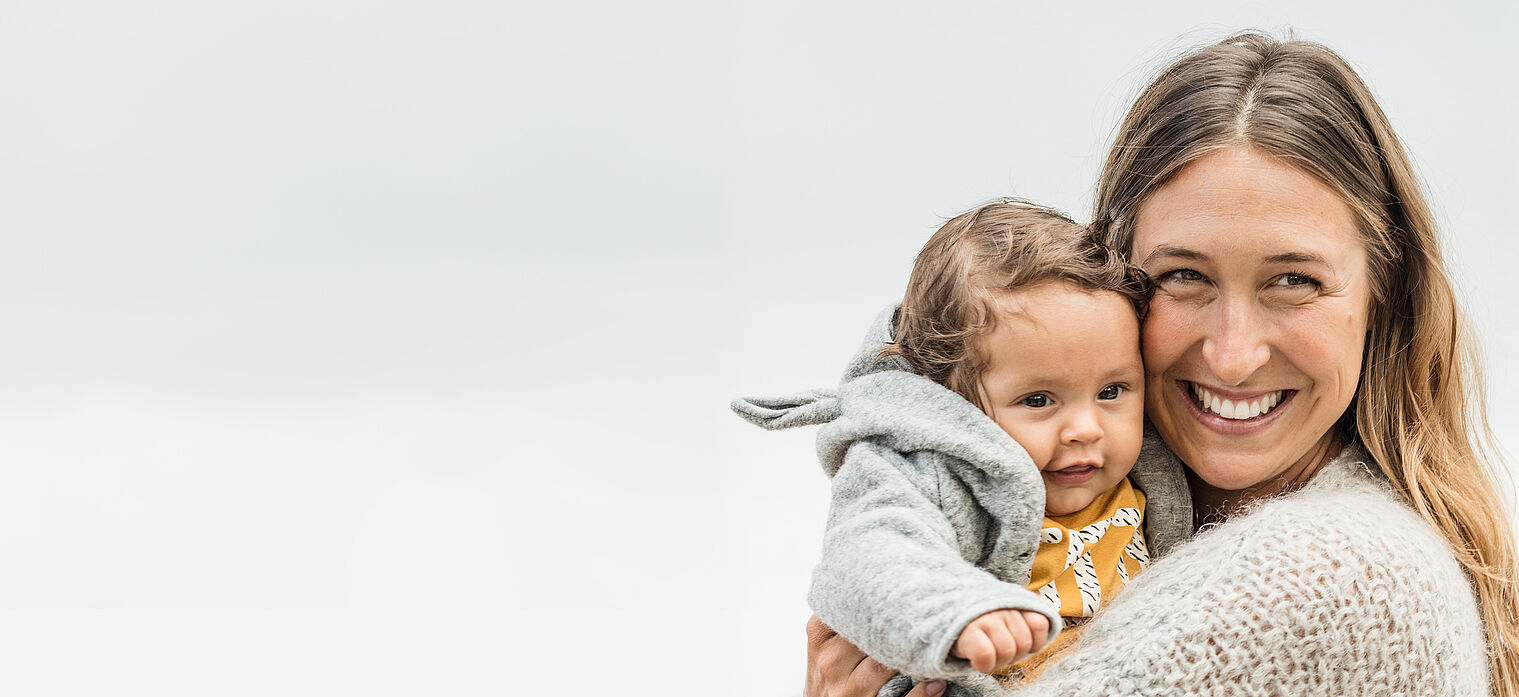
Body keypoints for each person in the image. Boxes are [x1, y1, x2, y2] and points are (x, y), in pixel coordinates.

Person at [801, 32, 1519, 697]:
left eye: (1293, 281)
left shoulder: (1343, 570)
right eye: (1183, 276)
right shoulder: (1117, 493)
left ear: (1381, 296)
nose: (1232, 356)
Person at [734, 202, 1189, 696]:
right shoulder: (920, 472)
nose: (1086, 428)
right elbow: (867, 557)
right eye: (1037, 400)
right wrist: (958, 612)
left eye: (1112, 391)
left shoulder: (1148, 462)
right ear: (950, 403)